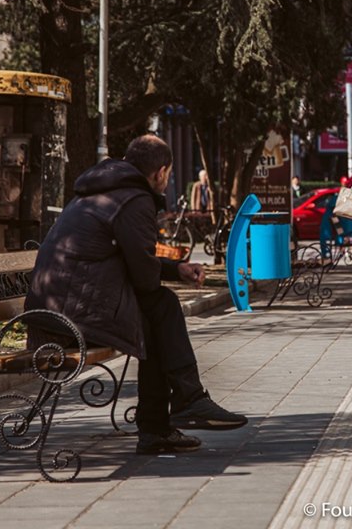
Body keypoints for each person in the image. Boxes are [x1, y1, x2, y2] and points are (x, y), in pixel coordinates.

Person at [25, 135, 247, 456]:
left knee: (155, 314)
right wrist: (165, 271)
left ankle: (162, 424)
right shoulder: (134, 199)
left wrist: (175, 268)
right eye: (168, 176)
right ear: (161, 172)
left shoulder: (103, 190)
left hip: (54, 309)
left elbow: (135, 259)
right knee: (162, 306)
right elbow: (144, 278)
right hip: (70, 316)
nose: (167, 182)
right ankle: (184, 402)